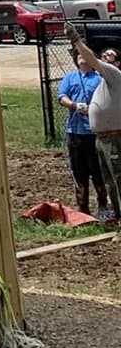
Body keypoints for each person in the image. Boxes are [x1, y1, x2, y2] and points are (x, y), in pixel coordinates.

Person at [70, 32, 121, 225]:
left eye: (110, 56)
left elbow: (90, 57)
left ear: (117, 64)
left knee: (118, 181)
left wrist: (76, 41)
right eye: (104, 55)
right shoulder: (104, 83)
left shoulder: (114, 74)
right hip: (102, 138)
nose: (105, 57)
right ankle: (117, 218)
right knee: (110, 183)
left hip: (114, 138)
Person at [57, 42, 107, 218]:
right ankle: (83, 207)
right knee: (79, 170)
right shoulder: (70, 78)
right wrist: (73, 105)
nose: (82, 59)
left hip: (94, 131)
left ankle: (103, 205)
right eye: (79, 57)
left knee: (97, 169)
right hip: (75, 131)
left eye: (85, 56)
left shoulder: (100, 79)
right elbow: (61, 96)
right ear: (76, 60)